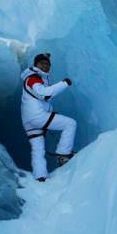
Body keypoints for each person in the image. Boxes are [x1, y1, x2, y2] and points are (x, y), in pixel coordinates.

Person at [20, 53, 76, 181]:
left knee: (38, 149)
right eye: (42, 63)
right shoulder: (33, 78)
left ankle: (40, 176)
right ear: (36, 65)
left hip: (29, 121)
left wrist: (50, 112)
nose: (45, 66)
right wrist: (64, 83)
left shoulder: (33, 78)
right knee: (70, 124)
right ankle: (63, 154)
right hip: (37, 117)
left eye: (47, 64)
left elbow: (40, 100)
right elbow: (44, 94)